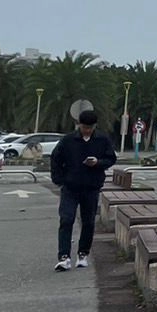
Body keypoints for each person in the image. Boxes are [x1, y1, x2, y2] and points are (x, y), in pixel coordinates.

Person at [51, 110, 118, 271]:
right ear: (79, 125)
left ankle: (83, 253)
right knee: (66, 219)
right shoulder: (68, 140)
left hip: (91, 187)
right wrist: (59, 180)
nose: (87, 130)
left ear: (94, 126)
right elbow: (55, 159)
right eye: (84, 127)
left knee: (88, 222)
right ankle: (64, 257)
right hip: (70, 187)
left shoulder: (102, 139)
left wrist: (98, 162)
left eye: (90, 128)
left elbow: (111, 158)